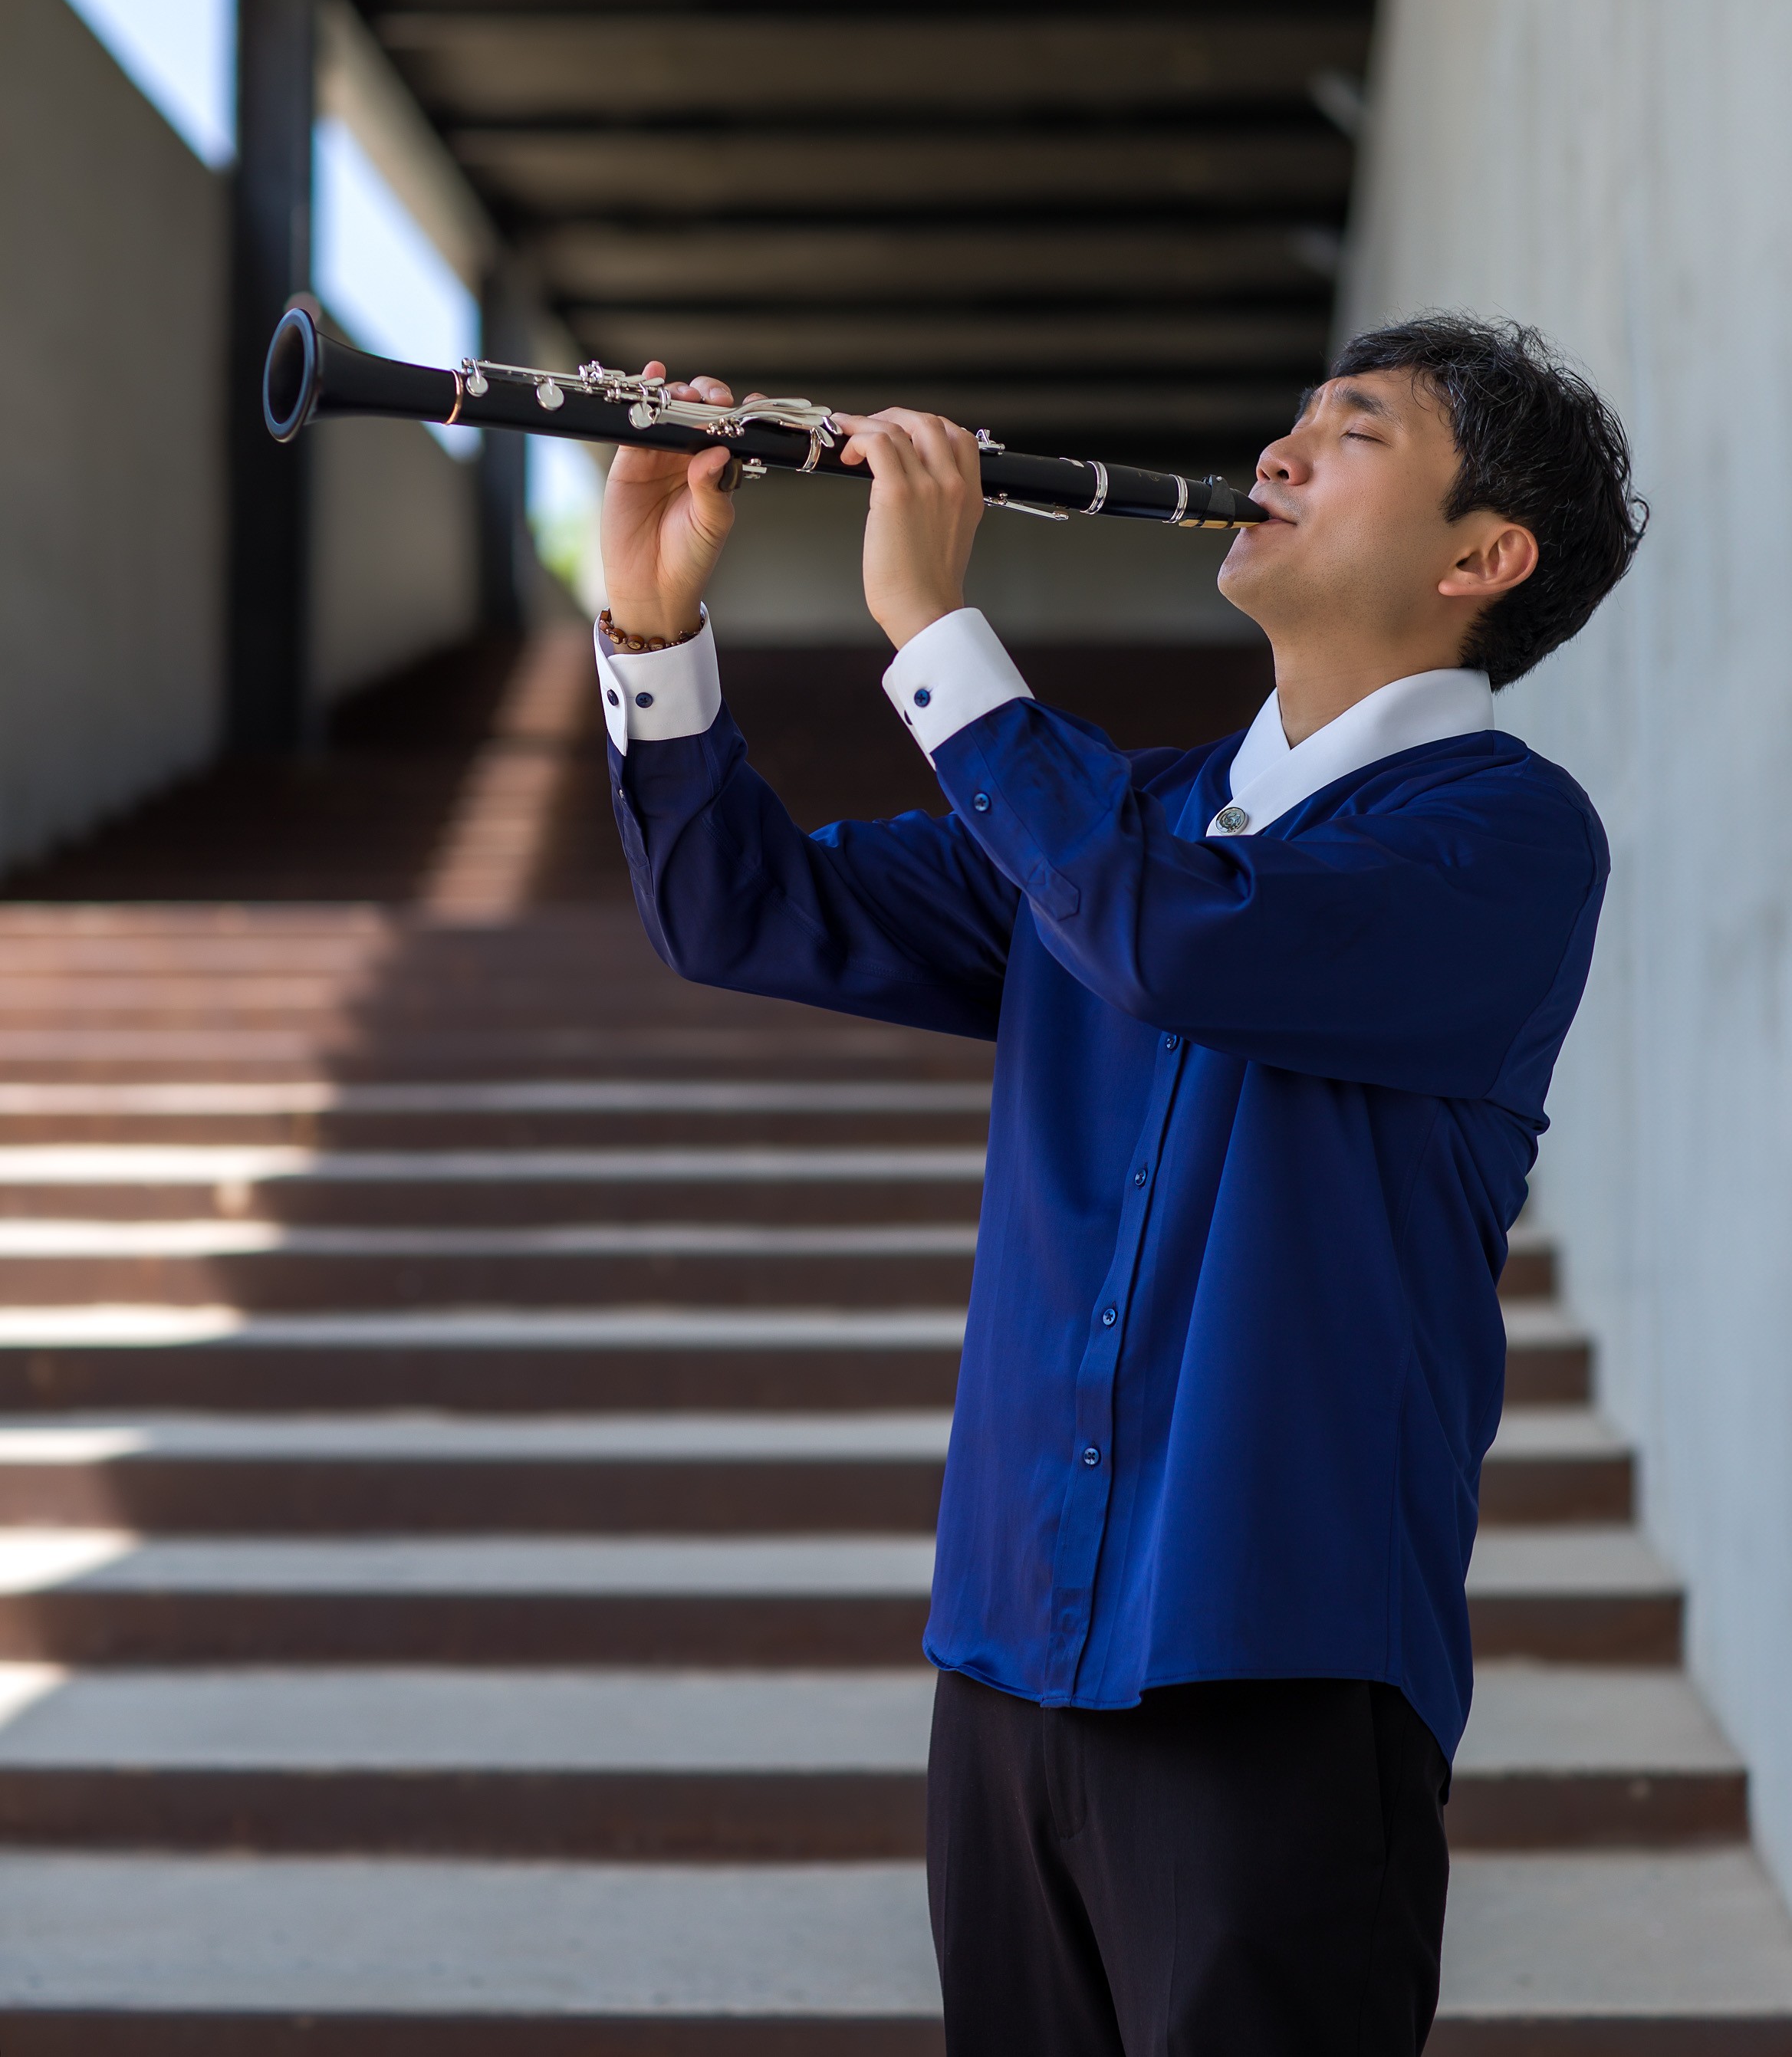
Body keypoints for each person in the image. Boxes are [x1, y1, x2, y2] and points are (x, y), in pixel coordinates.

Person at [593, 315, 1647, 2055]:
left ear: (1483, 558)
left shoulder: (1505, 841)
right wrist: (650, 618)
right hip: (1009, 1646)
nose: (1283, 454)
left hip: (1279, 1660)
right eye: (1292, 420)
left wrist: (939, 633)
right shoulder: (1120, 824)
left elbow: (1174, 944)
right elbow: (737, 910)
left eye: (1352, 432)